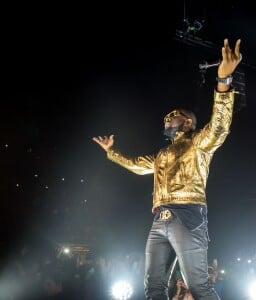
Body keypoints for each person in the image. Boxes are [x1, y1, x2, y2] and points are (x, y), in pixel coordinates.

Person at [93, 38, 242, 300]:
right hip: (160, 218)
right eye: (166, 117)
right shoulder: (162, 155)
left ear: (187, 123)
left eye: (172, 115)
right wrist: (111, 153)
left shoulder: (198, 143)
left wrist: (223, 82)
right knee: (153, 287)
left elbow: (219, 127)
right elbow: (137, 166)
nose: (167, 118)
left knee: (198, 287)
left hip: (188, 216)